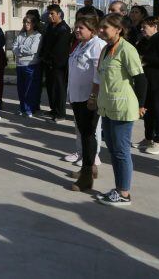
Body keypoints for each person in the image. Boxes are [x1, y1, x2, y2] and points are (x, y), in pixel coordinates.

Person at [93, 13, 147, 206]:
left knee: (121, 151)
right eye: (100, 27)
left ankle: (124, 193)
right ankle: (118, 189)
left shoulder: (127, 49)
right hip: (108, 107)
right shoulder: (107, 49)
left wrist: (141, 105)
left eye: (105, 27)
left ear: (118, 29)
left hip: (123, 108)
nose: (101, 30)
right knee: (114, 150)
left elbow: (140, 79)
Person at [66, 15, 106, 192]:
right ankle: (88, 168)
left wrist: (93, 96)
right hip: (78, 96)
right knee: (84, 134)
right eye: (76, 27)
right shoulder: (81, 44)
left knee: (88, 134)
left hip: (89, 98)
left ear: (93, 30)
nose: (77, 30)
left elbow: (99, 73)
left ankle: (87, 177)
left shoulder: (97, 45)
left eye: (81, 28)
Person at [136, 16, 159, 155]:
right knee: (147, 111)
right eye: (141, 27)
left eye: (145, 27)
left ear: (154, 27)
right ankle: (148, 138)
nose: (142, 29)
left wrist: (145, 59)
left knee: (158, 110)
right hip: (146, 80)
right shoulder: (143, 42)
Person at [39, 4, 71, 122]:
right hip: (48, 63)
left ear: (59, 14)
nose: (50, 16)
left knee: (59, 89)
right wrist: (44, 58)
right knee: (51, 88)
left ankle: (61, 113)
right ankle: (53, 109)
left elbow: (60, 49)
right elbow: (45, 44)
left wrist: (51, 60)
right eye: (49, 14)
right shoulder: (50, 27)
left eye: (52, 14)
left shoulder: (64, 29)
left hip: (59, 65)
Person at [12, 14, 42, 117]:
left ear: (33, 24)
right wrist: (22, 49)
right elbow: (14, 49)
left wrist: (20, 48)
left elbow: (33, 50)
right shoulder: (20, 35)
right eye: (25, 22)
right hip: (20, 65)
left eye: (28, 22)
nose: (26, 24)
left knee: (30, 89)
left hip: (31, 65)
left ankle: (29, 109)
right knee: (21, 89)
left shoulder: (37, 35)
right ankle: (22, 108)